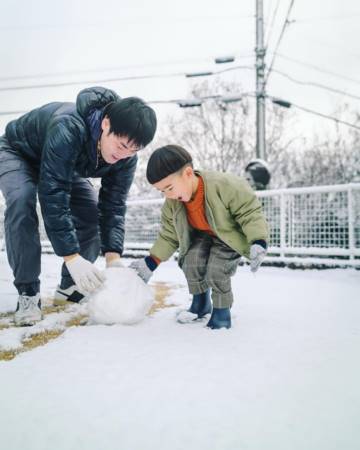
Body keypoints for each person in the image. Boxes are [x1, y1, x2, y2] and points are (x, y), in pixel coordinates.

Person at [0, 86, 157, 326]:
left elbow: (113, 204)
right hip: (18, 152)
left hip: (64, 165)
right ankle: (28, 292)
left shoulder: (126, 159)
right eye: (121, 145)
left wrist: (113, 256)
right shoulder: (69, 128)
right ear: (106, 124)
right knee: (22, 199)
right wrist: (71, 256)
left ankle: (69, 288)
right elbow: (54, 194)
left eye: (133, 150)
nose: (124, 154)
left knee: (91, 211)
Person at [130, 145, 269, 330]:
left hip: (228, 236)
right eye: (161, 191)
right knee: (190, 260)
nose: (167, 195)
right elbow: (169, 235)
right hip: (203, 236)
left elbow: (249, 212)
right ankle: (201, 304)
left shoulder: (225, 185)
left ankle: (221, 311)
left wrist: (258, 240)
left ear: (188, 173)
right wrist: (151, 261)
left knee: (217, 269)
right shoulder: (172, 203)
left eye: (169, 188)